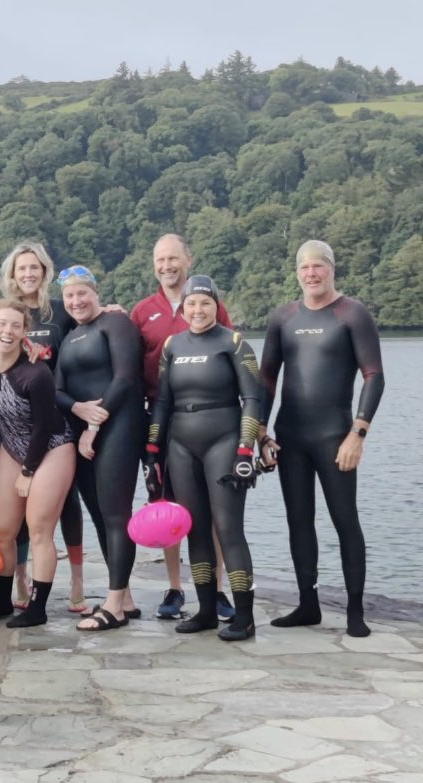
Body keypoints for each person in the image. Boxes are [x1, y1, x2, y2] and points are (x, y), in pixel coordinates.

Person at [259, 240, 385, 638]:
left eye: (319, 266)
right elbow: (265, 380)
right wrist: (260, 432)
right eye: (305, 267)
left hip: (335, 437)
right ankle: (307, 604)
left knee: (346, 521)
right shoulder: (284, 318)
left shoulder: (352, 313)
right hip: (290, 435)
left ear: (332, 269)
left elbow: (374, 375)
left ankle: (355, 610)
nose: (311, 273)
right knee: (299, 522)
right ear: (297, 273)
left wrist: (358, 434)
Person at [145, 275, 262, 642]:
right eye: (191, 304)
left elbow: (253, 400)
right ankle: (207, 611)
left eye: (205, 303)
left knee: (228, 529)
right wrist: (152, 452)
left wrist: (246, 449)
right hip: (180, 443)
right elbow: (162, 402)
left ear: (216, 306)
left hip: (224, 440)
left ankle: (244, 616)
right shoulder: (172, 345)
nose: (198, 310)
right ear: (183, 309)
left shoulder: (234, 342)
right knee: (193, 529)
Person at [130, 234, 236, 622]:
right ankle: (175, 587)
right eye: (160, 259)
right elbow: (130, 364)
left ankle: (218, 591)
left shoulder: (208, 305)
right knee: (167, 505)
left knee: (212, 506)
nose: (167, 266)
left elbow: (231, 355)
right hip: (162, 418)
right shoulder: (142, 311)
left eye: (174, 258)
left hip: (210, 418)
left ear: (188, 260)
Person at [0, 299, 77, 627]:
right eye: (2, 323)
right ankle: (2, 601)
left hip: (52, 447)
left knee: (40, 527)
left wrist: (29, 472)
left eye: (17, 326)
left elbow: (44, 426)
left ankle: (37, 607)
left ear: (25, 332)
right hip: (12, 448)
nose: (8, 331)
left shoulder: (36, 372)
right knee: (1, 530)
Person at [53, 267, 144, 631]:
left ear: (96, 294)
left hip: (118, 425)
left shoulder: (115, 324)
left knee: (116, 515)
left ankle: (114, 605)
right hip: (83, 430)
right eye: (70, 296)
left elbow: (125, 378)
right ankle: (124, 598)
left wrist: (93, 424)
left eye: (83, 294)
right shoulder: (72, 335)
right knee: (99, 515)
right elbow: (57, 389)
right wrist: (76, 409)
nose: (77, 302)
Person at [0, 240, 86, 613]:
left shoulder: (58, 313)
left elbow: (88, 326)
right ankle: (20, 577)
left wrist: (112, 310)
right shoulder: (8, 314)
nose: (29, 274)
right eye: (22, 269)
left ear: (45, 272)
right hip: (16, 424)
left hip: (58, 419)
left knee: (67, 503)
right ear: (13, 275)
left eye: (35, 268)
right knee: (18, 506)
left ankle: (78, 580)